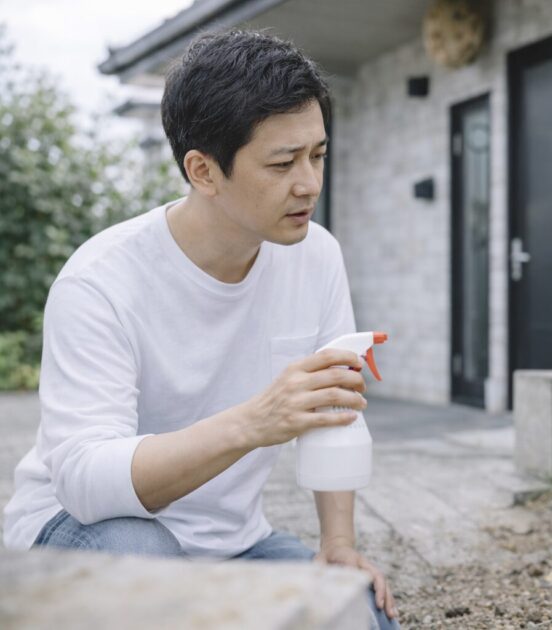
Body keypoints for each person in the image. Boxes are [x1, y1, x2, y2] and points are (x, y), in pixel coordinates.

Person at [3, 29, 398, 629]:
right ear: (203, 170)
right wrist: (254, 422)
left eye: (317, 154)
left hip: (234, 541)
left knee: (356, 611)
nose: (310, 183)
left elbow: (335, 406)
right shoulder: (100, 282)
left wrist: (338, 542)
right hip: (82, 531)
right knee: (152, 575)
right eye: (282, 163)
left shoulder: (315, 254)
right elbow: (85, 483)